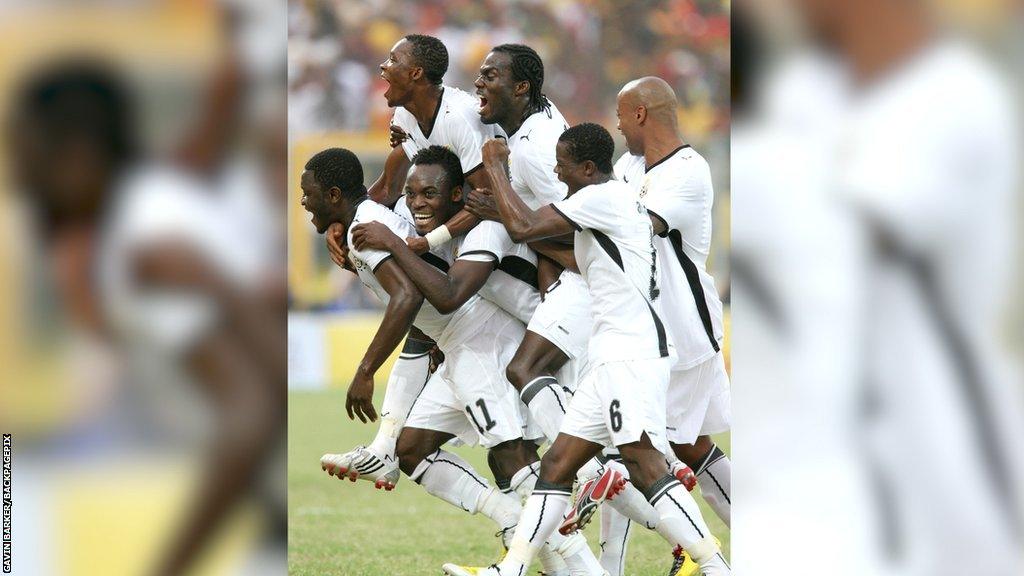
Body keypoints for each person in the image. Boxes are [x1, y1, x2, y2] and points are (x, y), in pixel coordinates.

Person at [443, 123, 729, 576]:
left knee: (645, 463)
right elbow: (560, 248)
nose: (557, 171)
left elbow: (524, 225)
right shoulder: (605, 206)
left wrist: (496, 167)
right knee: (557, 464)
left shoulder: (601, 198)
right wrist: (503, 212)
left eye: (563, 164)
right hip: (610, 354)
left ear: (589, 168)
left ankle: (715, 566)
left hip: (631, 355)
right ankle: (512, 569)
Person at [302, 147, 603, 575]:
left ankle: (585, 566)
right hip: (456, 341)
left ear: (333, 195)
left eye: (307, 193)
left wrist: (365, 371)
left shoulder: (366, 229)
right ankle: (511, 520)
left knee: (511, 453)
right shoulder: (363, 223)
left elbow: (408, 297)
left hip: (480, 337)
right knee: (411, 450)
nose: (303, 202)